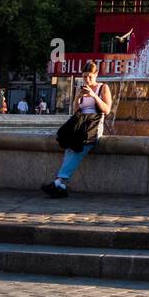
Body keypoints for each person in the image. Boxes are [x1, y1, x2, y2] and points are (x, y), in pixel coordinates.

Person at [42, 60, 112, 198]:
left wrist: (93, 95)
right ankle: (60, 184)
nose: (87, 79)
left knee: (78, 146)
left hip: (93, 126)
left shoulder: (103, 87)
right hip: (80, 124)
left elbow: (107, 110)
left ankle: (59, 182)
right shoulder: (81, 88)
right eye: (85, 76)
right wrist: (78, 97)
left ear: (96, 74)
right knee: (69, 145)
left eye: (90, 76)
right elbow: (75, 112)